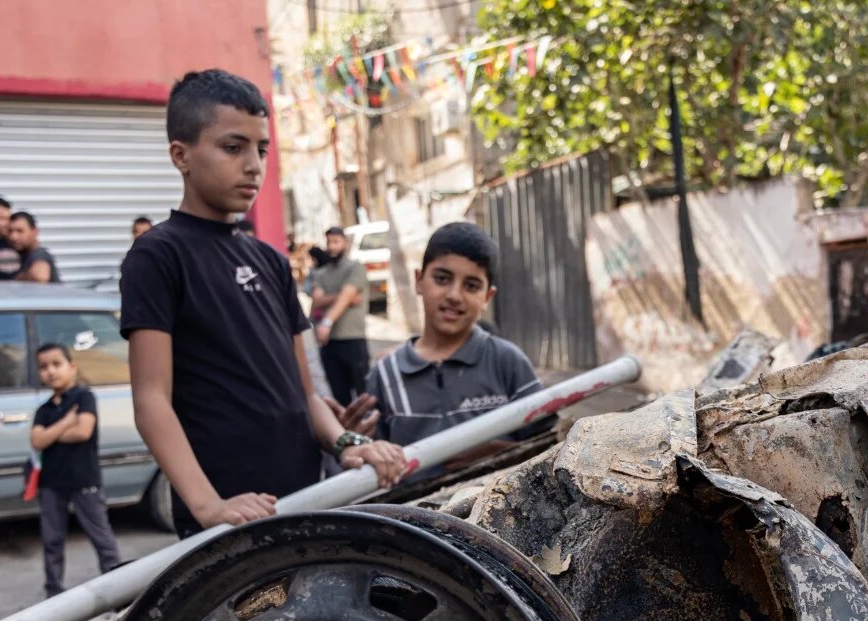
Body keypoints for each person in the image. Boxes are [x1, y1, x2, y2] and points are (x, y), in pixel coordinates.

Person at [122, 69, 406, 538]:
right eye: (233, 148)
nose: (254, 165)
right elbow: (151, 399)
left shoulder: (270, 262)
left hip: (303, 500)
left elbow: (305, 394)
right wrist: (209, 506)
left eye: (261, 149)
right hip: (227, 519)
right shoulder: (158, 254)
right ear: (181, 155)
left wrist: (348, 445)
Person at [361, 222, 550, 458]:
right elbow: (370, 463)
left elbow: (547, 448)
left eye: (471, 286)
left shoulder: (507, 362)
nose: (454, 296)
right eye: (442, 279)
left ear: (487, 296)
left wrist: (500, 457)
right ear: (419, 281)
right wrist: (357, 443)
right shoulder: (385, 375)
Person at [29, 343, 120, 597]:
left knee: (102, 538)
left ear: (72, 366)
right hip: (51, 483)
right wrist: (67, 421)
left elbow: (83, 432)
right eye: (44, 367)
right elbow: (37, 441)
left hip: (84, 480)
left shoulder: (84, 397)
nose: (51, 371)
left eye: (57, 364)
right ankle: (53, 592)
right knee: (52, 541)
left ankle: (118, 589)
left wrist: (51, 433)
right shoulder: (43, 409)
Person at [309, 225, 370, 404]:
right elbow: (317, 301)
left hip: (353, 339)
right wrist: (345, 295)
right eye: (329, 242)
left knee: (364, 395)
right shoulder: (321, 273)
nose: (332, 247)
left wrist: (326, 321)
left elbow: (344, 297)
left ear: (345, 243)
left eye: (336, 242)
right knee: (339, 396)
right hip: (330, 344)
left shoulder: (355, 268)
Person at [7, 211, 58, 283]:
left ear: (35, 232)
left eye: (20, 231)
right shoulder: (21, 254)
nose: (13, 237)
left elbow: (40, 276)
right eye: (10, 231)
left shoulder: (40, 254)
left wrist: (19, 279)